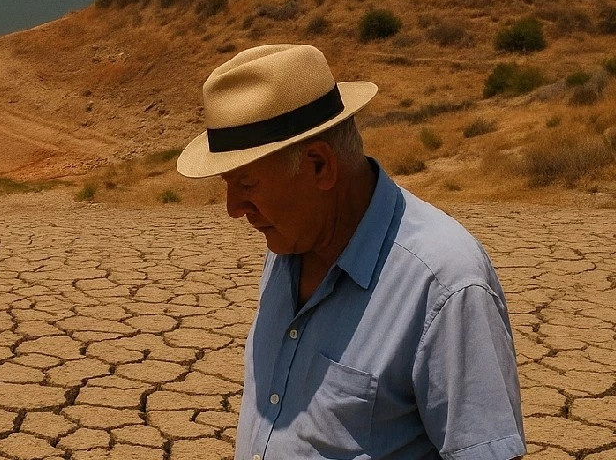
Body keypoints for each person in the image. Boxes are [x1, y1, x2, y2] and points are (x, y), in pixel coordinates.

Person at [177, 44, 525, 460]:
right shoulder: (288, 243)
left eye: (247, 184)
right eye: (227, 184)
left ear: (320, 165)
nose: (233, 208)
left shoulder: (444, 284)